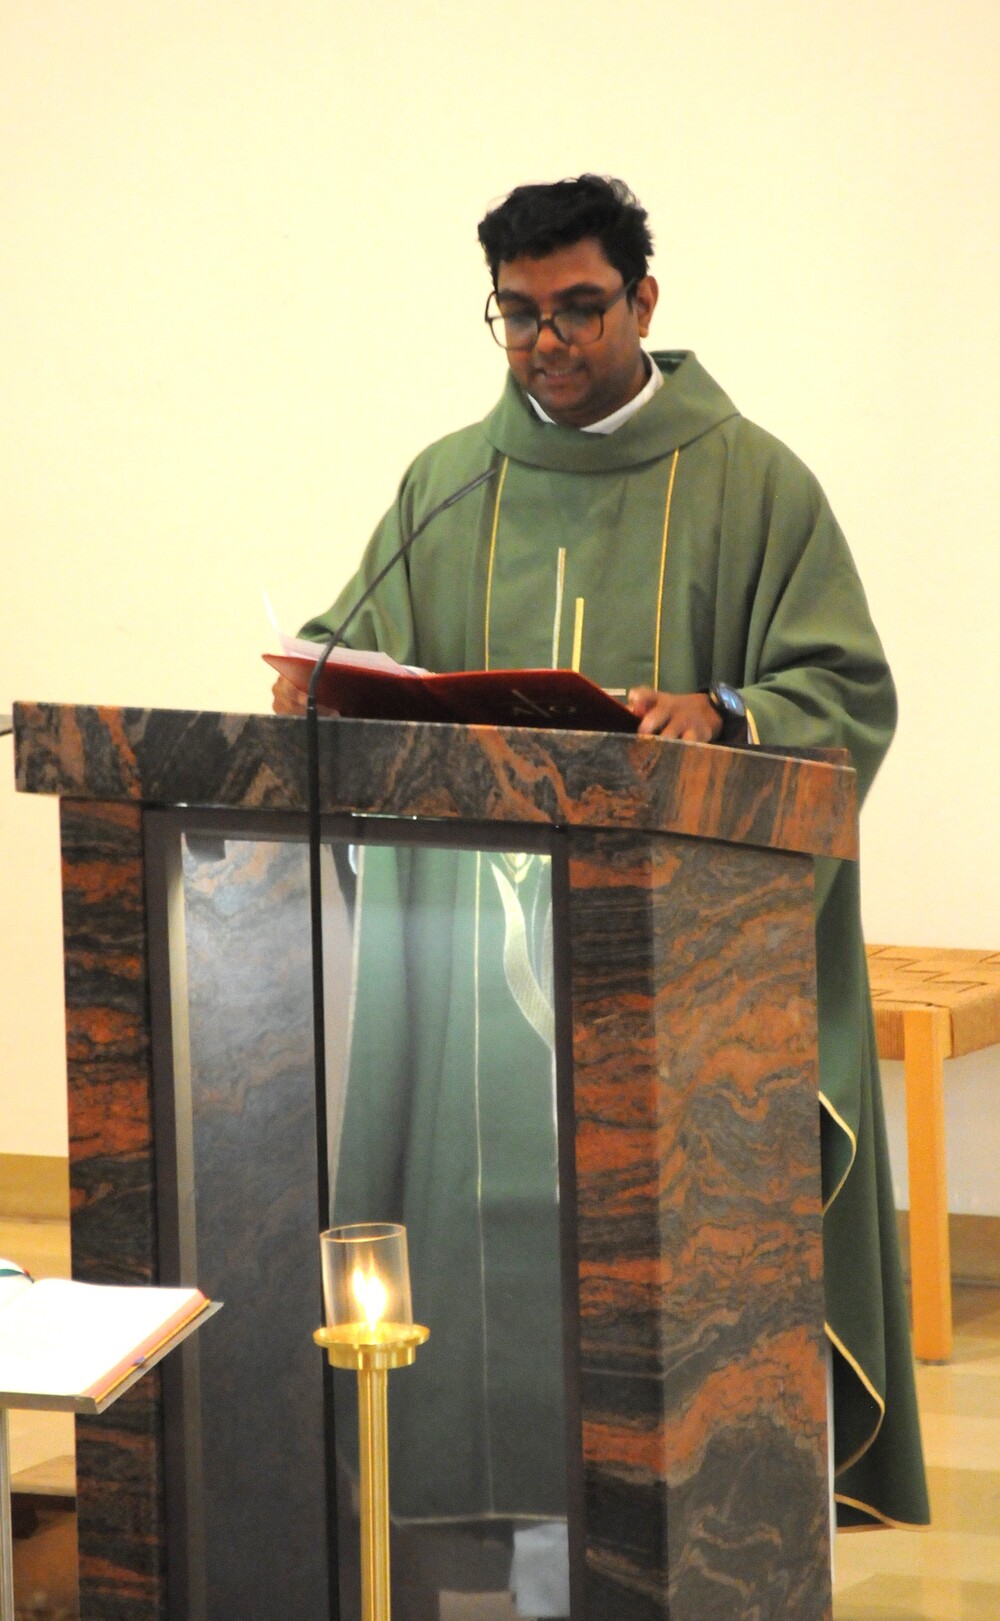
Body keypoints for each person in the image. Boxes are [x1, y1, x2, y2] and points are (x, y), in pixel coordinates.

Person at [273, 174, 928, 1587]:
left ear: (644, 300)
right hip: (473, 982)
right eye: (516, 314)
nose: (546, 343)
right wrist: (318, 675)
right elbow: (357, 633)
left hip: (685, 972)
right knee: (480, 1257)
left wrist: (731, 713)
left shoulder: (753, 481)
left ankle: (712, 1544)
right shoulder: (454, 480)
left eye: (577, 308)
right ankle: (482, 1532)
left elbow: (846, 689)